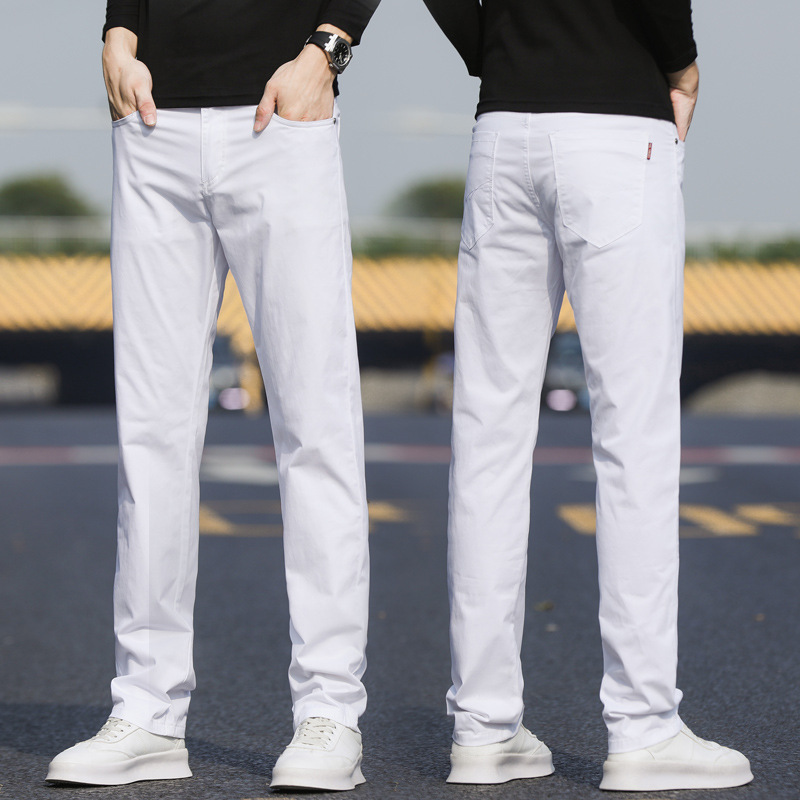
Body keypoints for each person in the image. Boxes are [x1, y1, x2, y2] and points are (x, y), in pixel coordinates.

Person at [46, 0, 379, 791]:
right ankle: (148, 710)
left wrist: (327, 49)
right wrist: (118, 38)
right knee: (151, 433)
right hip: (152, 119)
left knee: (316, 427)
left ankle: (330, 710)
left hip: (280, 115)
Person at [423, 0, 754, 792]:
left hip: (505, 131)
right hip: (615, 126)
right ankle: (643, 729)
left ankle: (483, 727)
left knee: (487, 440)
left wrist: (496, 50)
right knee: (634, 438)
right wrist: (680, 62)